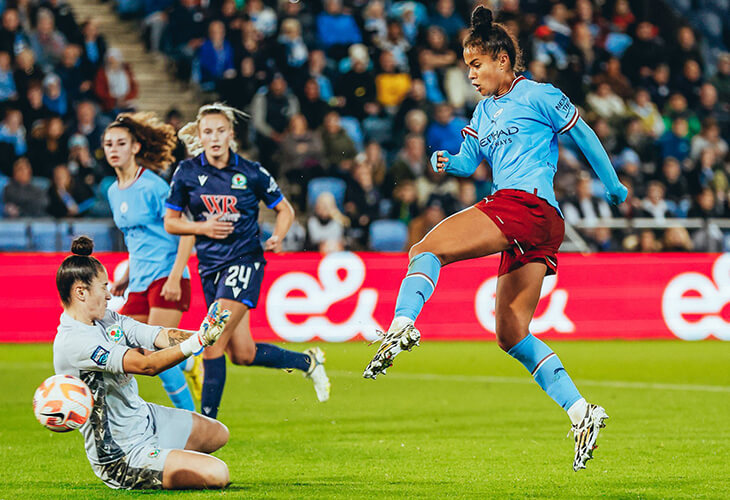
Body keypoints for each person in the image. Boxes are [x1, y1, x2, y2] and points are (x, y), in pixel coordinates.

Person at [363, 7, 628, 472]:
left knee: (424, 250)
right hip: (538, 225)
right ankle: (581, 411)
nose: (470, 73)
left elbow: (584, 135)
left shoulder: (539, 95)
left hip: (526, 206)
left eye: (476, 64)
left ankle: (402, 323)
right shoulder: (484, 112)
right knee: (510, 333)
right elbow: (470, 163)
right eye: (467, 65)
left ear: (503, 60)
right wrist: (448, 161)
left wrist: (612, 184)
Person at [164, 103, 330, 419]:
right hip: (210, 268)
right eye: (207, 132)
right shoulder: (186, 173)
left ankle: (205, 427)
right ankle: (308, 363)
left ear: (231, 134)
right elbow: (171, 222)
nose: (214, 137)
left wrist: (278, 237)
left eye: (220, 131)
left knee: (211, 342)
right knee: (243, 353)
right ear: (200, 136)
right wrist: (202, 227)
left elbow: (285, 210)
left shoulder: (250, 172)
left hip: (245, 262)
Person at [53, 236, 231, 490]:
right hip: (121, 453)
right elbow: (147, 366)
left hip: (146, 418)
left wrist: (202, 333)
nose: (108, 295)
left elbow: (155, 335)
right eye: (103, 288)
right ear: (81, 292)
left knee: (218, 433)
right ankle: (157, 461)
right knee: (217, 473)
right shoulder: (75, 342)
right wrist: (196, 343)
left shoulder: (107, 319)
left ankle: (166, 458)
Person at [104, 111, 202, 411]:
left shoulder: (153, 186)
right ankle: (191, 362)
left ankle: (192, 425)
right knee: (124, 348)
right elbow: (138, 240)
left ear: (135, 147)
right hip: (139, 281)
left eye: (121, 143)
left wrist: (175, 277)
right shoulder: (111, 191)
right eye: (108, 144)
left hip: (167, 276)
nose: (113, 149)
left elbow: (187, 232)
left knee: (157, 357)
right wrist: (126, 276)